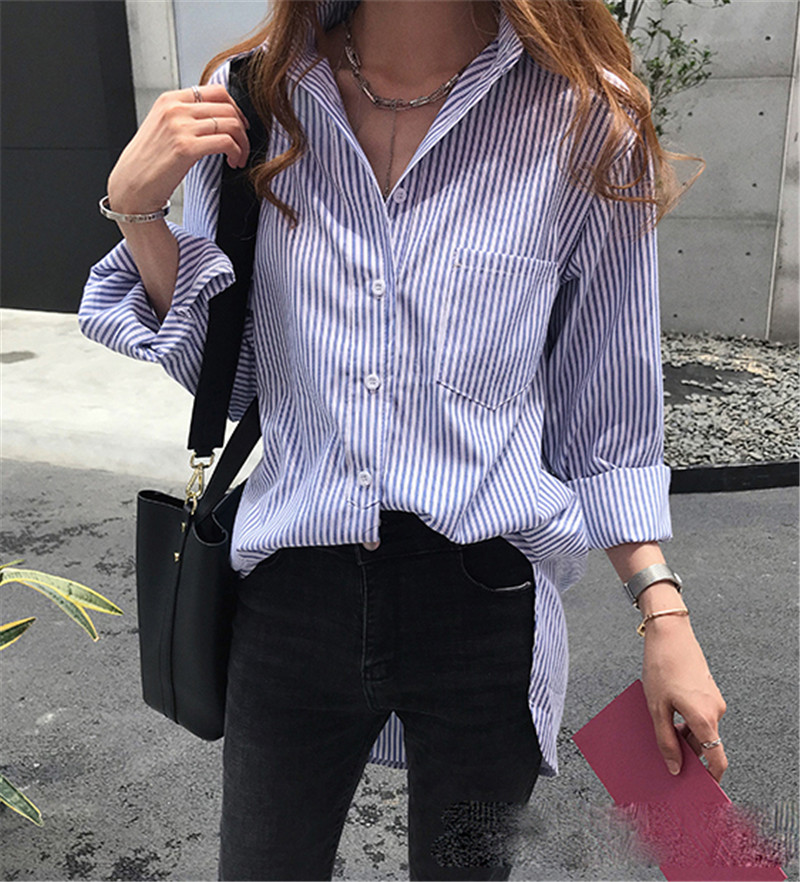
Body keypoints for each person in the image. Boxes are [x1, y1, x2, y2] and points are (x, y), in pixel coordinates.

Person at [80, 1, 728, 879]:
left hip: (482, 605)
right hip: (290, 598)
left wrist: (663, 615)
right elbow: (234, 383)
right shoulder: (256, 99)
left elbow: (606, 411)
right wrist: (140, 213)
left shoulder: (584, 117)